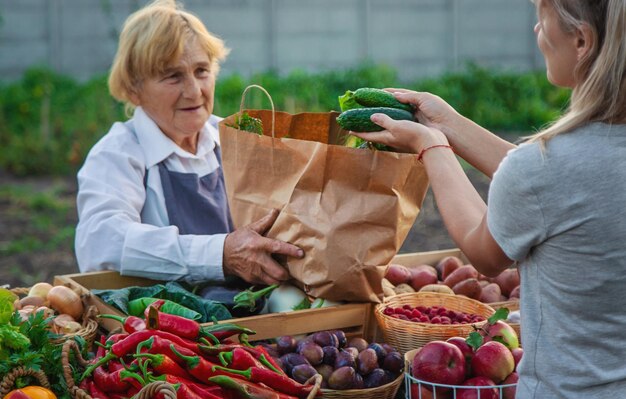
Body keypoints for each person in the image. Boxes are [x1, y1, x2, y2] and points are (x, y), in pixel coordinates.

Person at [352, 0, 626, 397]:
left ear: (581, 40)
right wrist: (450, 123)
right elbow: (554, 189)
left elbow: (486, 254)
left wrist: (432, 147)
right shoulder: (555, 168)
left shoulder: (546, 166)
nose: (536, 32)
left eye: (541, 19)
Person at [75, 0, 303, 286]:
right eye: (173, 76)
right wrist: (221, 254)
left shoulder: (234, 139)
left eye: (201, 71)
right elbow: (102, 242)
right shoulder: (117, 154)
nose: (194, 91)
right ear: (134, 89)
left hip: (253, 316)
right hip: (165, 323)